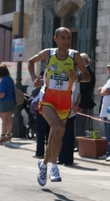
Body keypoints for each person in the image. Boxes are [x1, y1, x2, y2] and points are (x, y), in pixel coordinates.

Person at [27, 27, 91, 186]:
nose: (66, 41)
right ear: (55, 39)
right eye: (63, 38)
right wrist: (34, 78)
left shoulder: (74, 56)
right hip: (48, 99)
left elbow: (88, 77)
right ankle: (54, 167)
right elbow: (30, 61)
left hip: (64, 102)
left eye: (68, 38)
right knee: (60, 129)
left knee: (55, 136)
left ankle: (43, 165)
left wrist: (79, 77)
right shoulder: (48, 54)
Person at [74, 53, 96, 150]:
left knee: (79, 124)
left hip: (82, 102)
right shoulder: (83, 71)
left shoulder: (88, 72)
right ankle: (76, 143)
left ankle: (79, 145)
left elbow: (84, 89)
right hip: (78, 101)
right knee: (77, 124)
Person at [58, 79, 80, 165]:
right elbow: (79, 95)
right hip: (72, 110)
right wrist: (76, 105)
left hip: (65, 110)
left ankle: (63, 158)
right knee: (70, 135)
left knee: (64, 136)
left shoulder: (66, 80)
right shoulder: (77, 81)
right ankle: (69, 159)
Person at [31, 71, 50, 159]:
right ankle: (49, 154)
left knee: (40, 132)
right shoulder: (53, 85)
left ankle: (40, 153)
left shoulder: (41, 84)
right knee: (49, 133)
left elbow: (34, 93)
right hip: (50, 110)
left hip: (41, 109)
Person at [0, 64, 15, 143]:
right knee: (9, 118)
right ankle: (9, 135)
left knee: (4, 119)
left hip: (5, 101)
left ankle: (2, 136)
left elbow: (2, 94)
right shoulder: (10, 79)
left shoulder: (3, 80)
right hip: (11, 100)